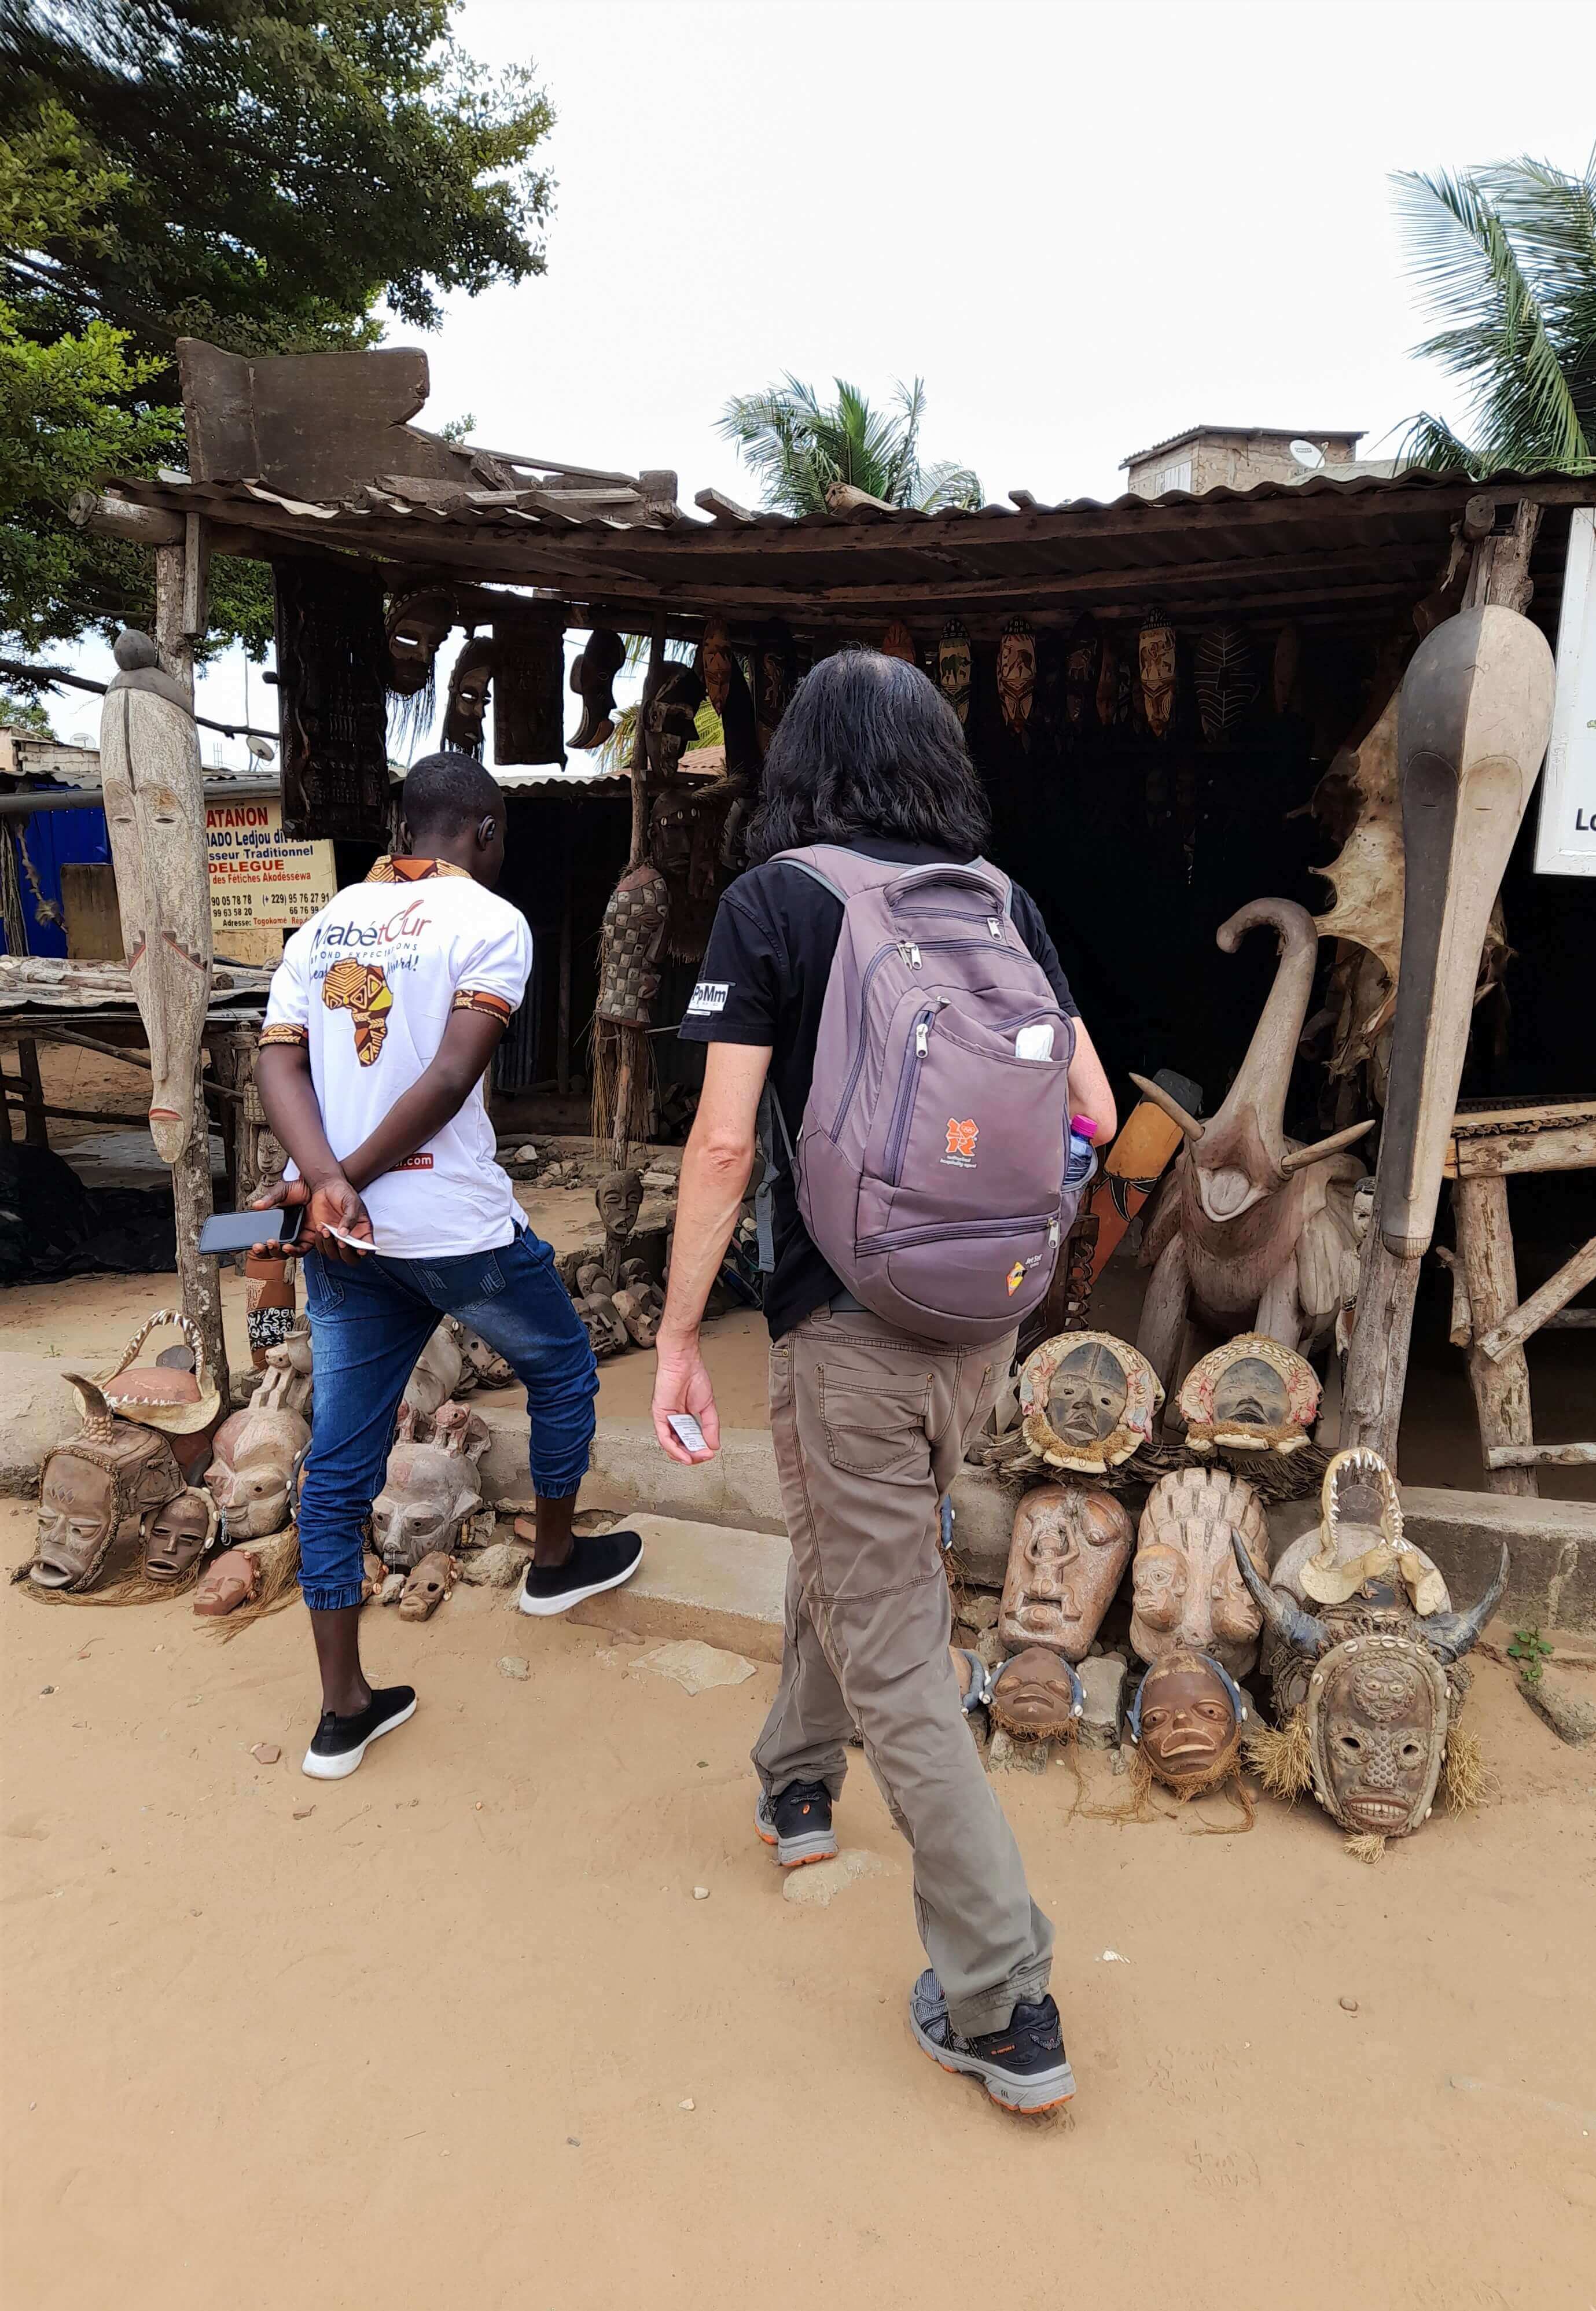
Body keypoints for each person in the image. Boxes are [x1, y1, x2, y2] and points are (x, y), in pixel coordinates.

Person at [652, 649, 1115, 2115]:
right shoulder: (1000, 898)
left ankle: (1002, 1997)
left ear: (799, 759)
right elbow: (1095, 1111)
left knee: (900, 1645)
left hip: (843, 1324)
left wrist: (674, 1336)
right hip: (981, 1330)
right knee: (858, 1552)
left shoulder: (774, 898)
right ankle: (796, 1776)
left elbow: (724, 1146)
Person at [252, 751, 642, 1780]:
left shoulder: (324, 922)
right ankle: (553, 1563)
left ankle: (343, 1712)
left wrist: (324, 1180)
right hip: (455, 1234)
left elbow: (276, 1060)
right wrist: (353, 1179)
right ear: (483, 827)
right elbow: (455, 1069)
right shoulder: (488, 921)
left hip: (346, 1246)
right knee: (561, 1367)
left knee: (336, 1467)